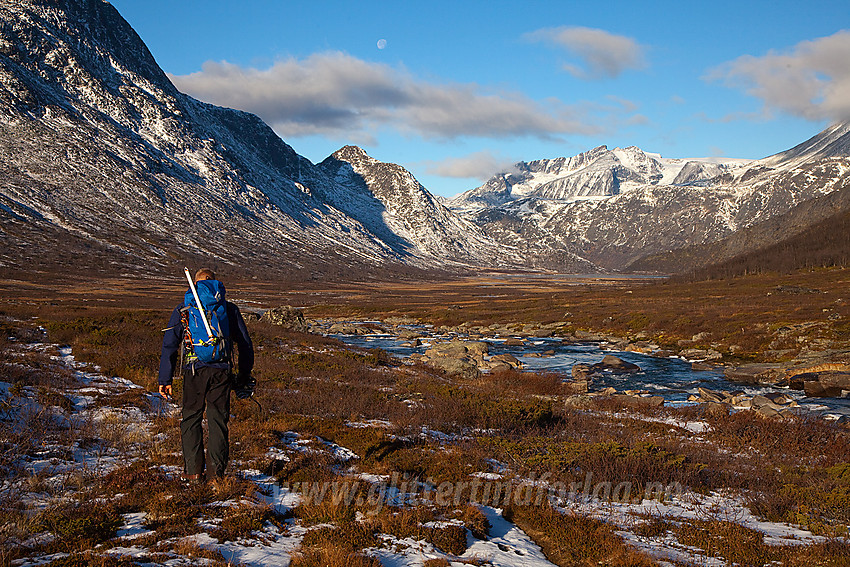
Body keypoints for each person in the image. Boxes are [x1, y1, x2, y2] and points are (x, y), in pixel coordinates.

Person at [158, 268, 254, 482]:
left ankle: (193, 473)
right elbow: (246, 345)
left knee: (191, 419)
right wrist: (244, 376)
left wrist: (165, 379)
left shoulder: (184, 308)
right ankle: (216, 476)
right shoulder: (228, 308)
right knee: (218, 421)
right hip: (222, 372)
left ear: (195, 283)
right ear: (215, 282)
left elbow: (169, 346)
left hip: (194, 371)